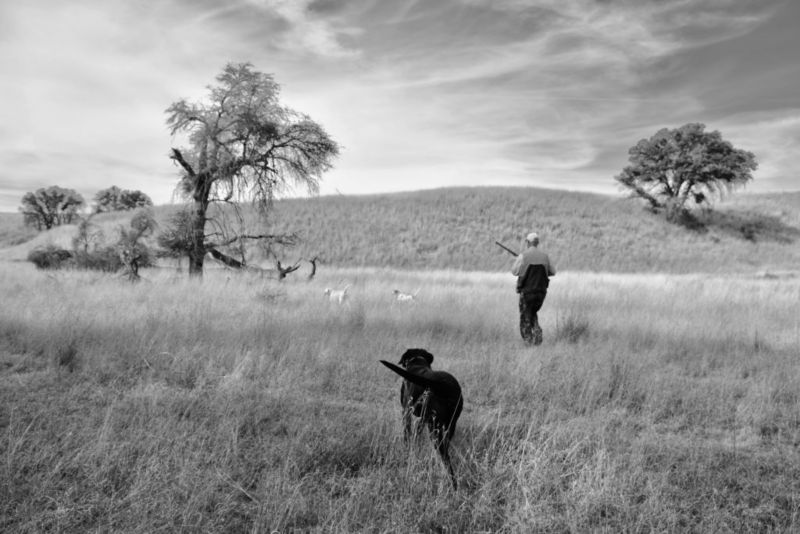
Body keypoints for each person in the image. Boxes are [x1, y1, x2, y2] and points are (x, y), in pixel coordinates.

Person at [511, 232, 556, 345]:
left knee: (524, 318)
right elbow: (552, 272)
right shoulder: (545, 257)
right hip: (541, 294)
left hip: (527, 293)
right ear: (537, 243)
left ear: (527, 242)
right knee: (532, 313)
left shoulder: (523, 256)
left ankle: (529, 343)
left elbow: (514, 271)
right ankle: (537, 333)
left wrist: (521, 262)